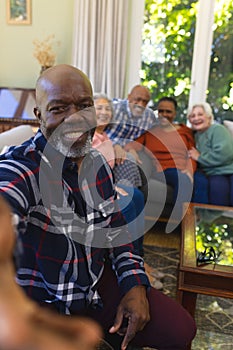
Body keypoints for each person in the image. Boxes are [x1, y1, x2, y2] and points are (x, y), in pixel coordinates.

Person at [0, 64, 196, 350]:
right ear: (39, 115)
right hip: (44, 304)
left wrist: (134, 284)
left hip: (93, 286)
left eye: (84, 105)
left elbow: (117, 229)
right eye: (59, 108)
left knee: (180, 329)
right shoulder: (24, 169)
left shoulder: (96, 163)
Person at [92, 92, 164, 289]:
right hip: (94, 191)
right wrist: (111, 188)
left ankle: (138, 261)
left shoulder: (104, 136)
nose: (104, 112)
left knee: (138, 197)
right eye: (99, 108)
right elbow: (84, 171)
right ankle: (133, 268)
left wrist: (119, 147)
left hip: (108, 183)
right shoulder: (87, 135)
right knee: (128, 201)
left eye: (107, 109)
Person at [125, 96, 197, 222]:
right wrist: (131, 150)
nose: (164, 114)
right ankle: (178, 224)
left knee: (190, 181)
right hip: (161, 171)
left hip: (181, 171)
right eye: (161, 111)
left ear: (175, 113)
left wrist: (189, 170)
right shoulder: (151, 132)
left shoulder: (185, 131)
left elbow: (192, 153)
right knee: (182, 179)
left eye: (168, 111)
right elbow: (131, 144)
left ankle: (190, 223)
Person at [188, 102, 233, 206]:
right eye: (192, 116)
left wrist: (199, 157)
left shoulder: (217, 129)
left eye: (200, 114)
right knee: (217, 199)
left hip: (228, 171)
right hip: (212, 174)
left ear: (209, 117)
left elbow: (225, 154)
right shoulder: (195, 135)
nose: (196, 118)